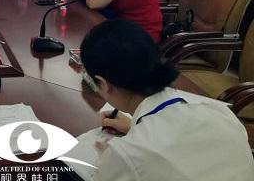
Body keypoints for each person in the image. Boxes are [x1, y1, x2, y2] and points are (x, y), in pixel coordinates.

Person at [80, 19, 254, 181]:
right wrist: (133, 128)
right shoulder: (221, 113)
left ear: (103, 84)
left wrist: (112, 160)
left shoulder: (127, 154)